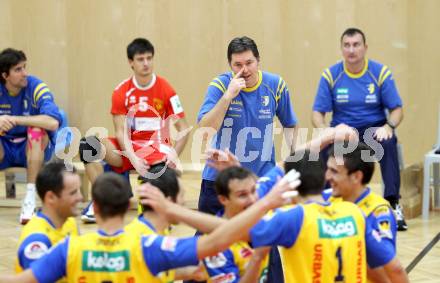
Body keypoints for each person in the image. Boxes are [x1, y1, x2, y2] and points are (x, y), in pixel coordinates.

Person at [141, 151, 409, 283]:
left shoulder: (293, 219)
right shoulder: (354, 213)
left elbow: (230, 230)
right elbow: (383, 268)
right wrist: (239, 172)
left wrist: (173, 210)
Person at [1, 170, 297, 283]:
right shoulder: (148, 247)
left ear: (98, 208)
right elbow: (217, 240)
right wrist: (265, 204)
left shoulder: (70, 249)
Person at [79, 37, 190, 222]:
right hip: (127, 149)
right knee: (88, 146)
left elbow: (184, 128)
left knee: (160, 177)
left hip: (156, 149)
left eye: (149, 58)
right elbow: (120, 131)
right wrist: (134, 159)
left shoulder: (166, 89)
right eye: (140, 59)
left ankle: (155, 207)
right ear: (131, 62)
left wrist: (174, 154)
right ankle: (101, 201)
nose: (146, 63)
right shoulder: (121, 91)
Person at [312, 27, 407, 231]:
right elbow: (317, 113)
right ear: (341, 49)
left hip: (373, 130)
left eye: (356, 45)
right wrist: (324, 130)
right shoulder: (331, 75)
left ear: (365, 48)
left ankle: (392, 203)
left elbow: (397, 109)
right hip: (344, 131)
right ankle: (331, 204)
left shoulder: (380, 72)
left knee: (389, 142)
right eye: (347, 45)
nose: (351, 50)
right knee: (322, 147)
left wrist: (388, 126)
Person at [197, 36, 298, 215]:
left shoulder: (275, 85)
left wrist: (296, 162)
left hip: (260, 180)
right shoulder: (220, 86)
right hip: (219, 180)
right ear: (230, 65)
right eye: (237, 65)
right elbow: (206, 131)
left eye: (249, 62)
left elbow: (290, 125)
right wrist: (228, 96)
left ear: (258, 61)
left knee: (263, 238)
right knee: (211, 239)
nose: (244, 70)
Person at [0, 48, 62, 224]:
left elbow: (53, 122)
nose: (25, 73)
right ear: (5, 75)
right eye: (18, 70)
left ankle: (29, 198)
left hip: (33, 147)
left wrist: (15, 120)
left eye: (24, 67)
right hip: (5, 147)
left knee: (36, 130)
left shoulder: (36, 86)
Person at [15, 162, 82, 276]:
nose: (80, 197)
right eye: (73, 193)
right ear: (51, 197)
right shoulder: (37, 240)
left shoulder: (70, 222)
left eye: (79, 191)